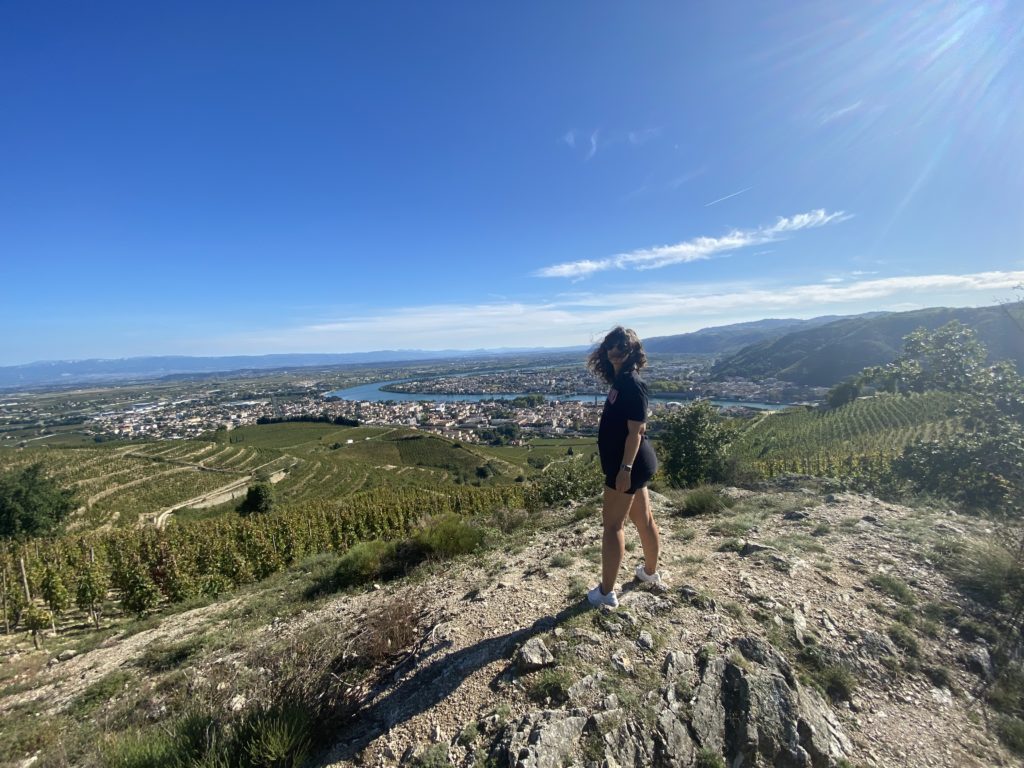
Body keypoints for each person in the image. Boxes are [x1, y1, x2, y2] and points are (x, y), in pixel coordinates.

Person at [586, 326, 662, 609]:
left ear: (632, 351)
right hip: (633, 464)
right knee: (644, 519)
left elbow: (637, 431)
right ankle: (650, 574)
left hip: (627, 465)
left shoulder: (632, 383)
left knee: (612, 526)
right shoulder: (622, 381)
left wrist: (625, 469)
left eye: (621, 348)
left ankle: (605, 594)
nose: (615, 352)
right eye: (610, 347)